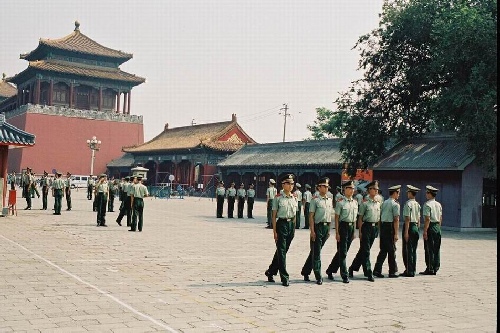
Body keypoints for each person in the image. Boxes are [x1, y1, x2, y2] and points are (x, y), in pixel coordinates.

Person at [264, 174, 298, 287]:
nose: (291, 185)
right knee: (282, 251)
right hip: (281, 224)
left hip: (290, 225)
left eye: (292, 183)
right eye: (288, 183)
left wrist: (294, 228)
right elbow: (273, 216)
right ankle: (284, 277)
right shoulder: (278, 198)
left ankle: (270, 271)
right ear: (283, 184)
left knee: (282, 251)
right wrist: (274, 231)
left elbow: (295, 215)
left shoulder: (294, 198)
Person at [300, 177, 333, 285]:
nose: (326, 188)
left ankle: (306, 271)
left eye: (327, 186)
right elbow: (311, 216)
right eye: (324, 186)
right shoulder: (315, 200)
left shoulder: (329, 200)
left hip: (325, 227)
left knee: (315, 251)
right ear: (319, 187)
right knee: (317, 253)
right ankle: (318, 275)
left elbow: (329, 217)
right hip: (317, 227)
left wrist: (328, 230)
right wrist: (312, 231)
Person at [325, 180, 358, 283]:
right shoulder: (340, 202)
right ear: (345, 189)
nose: (352, 190)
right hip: (343, 227)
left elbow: (355, 218)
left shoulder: (355, 202)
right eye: (350, 188)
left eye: (353, 188)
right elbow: (337, 217)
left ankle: (330, 270)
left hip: (351, 226)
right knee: (343, 252)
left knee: (342, 251)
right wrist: (337, 233)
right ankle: (344, 274)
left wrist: (354, 231)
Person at [348, 180, 381, 282]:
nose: (376, 191)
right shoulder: (365, 203)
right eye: (374, 189)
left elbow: (378, 217)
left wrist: (378, 229)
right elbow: (360, 218)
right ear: (369, 190)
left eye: (377, 189)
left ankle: (353, 267)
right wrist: (360, 231)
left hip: (374, 227)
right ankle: (368, 272)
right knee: (366, 251)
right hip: (366, 227)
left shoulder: (378, 202)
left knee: (364, 250)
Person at [373, 185, 401, 278]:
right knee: (392, 250)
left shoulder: (384, 202)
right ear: (395, 193)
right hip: (390, 227)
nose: (399, 195)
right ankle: (392, 271)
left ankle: (377, 269)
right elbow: (396, 219)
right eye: (398, 193)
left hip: (384, 227)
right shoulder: (395, 204)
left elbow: (380, 217)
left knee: (383, 250)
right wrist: (396, 233)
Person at [420, 185, 442, 276]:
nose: (426, 194)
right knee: (436, 248)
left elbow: (427, 219)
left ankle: (430, 268)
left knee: (429, 248)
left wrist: (425, 231)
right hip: (437, 226)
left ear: (430, 194)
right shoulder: (438, 204)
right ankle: (436, 266)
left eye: (427, 192)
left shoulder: (427, 204)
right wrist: (438, 227)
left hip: (431, 226)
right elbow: (440, 217)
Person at [400, 185, 421, 277]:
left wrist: (406, 232)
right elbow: (419, 218)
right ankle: (413, 269)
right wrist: (417, 228)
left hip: (409, 226)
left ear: (410, 193)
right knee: (413, 250)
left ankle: (409, 270)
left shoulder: (408, 204)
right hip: (415, 226)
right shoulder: (417, 204)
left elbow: (407, 218)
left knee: (407, 250)